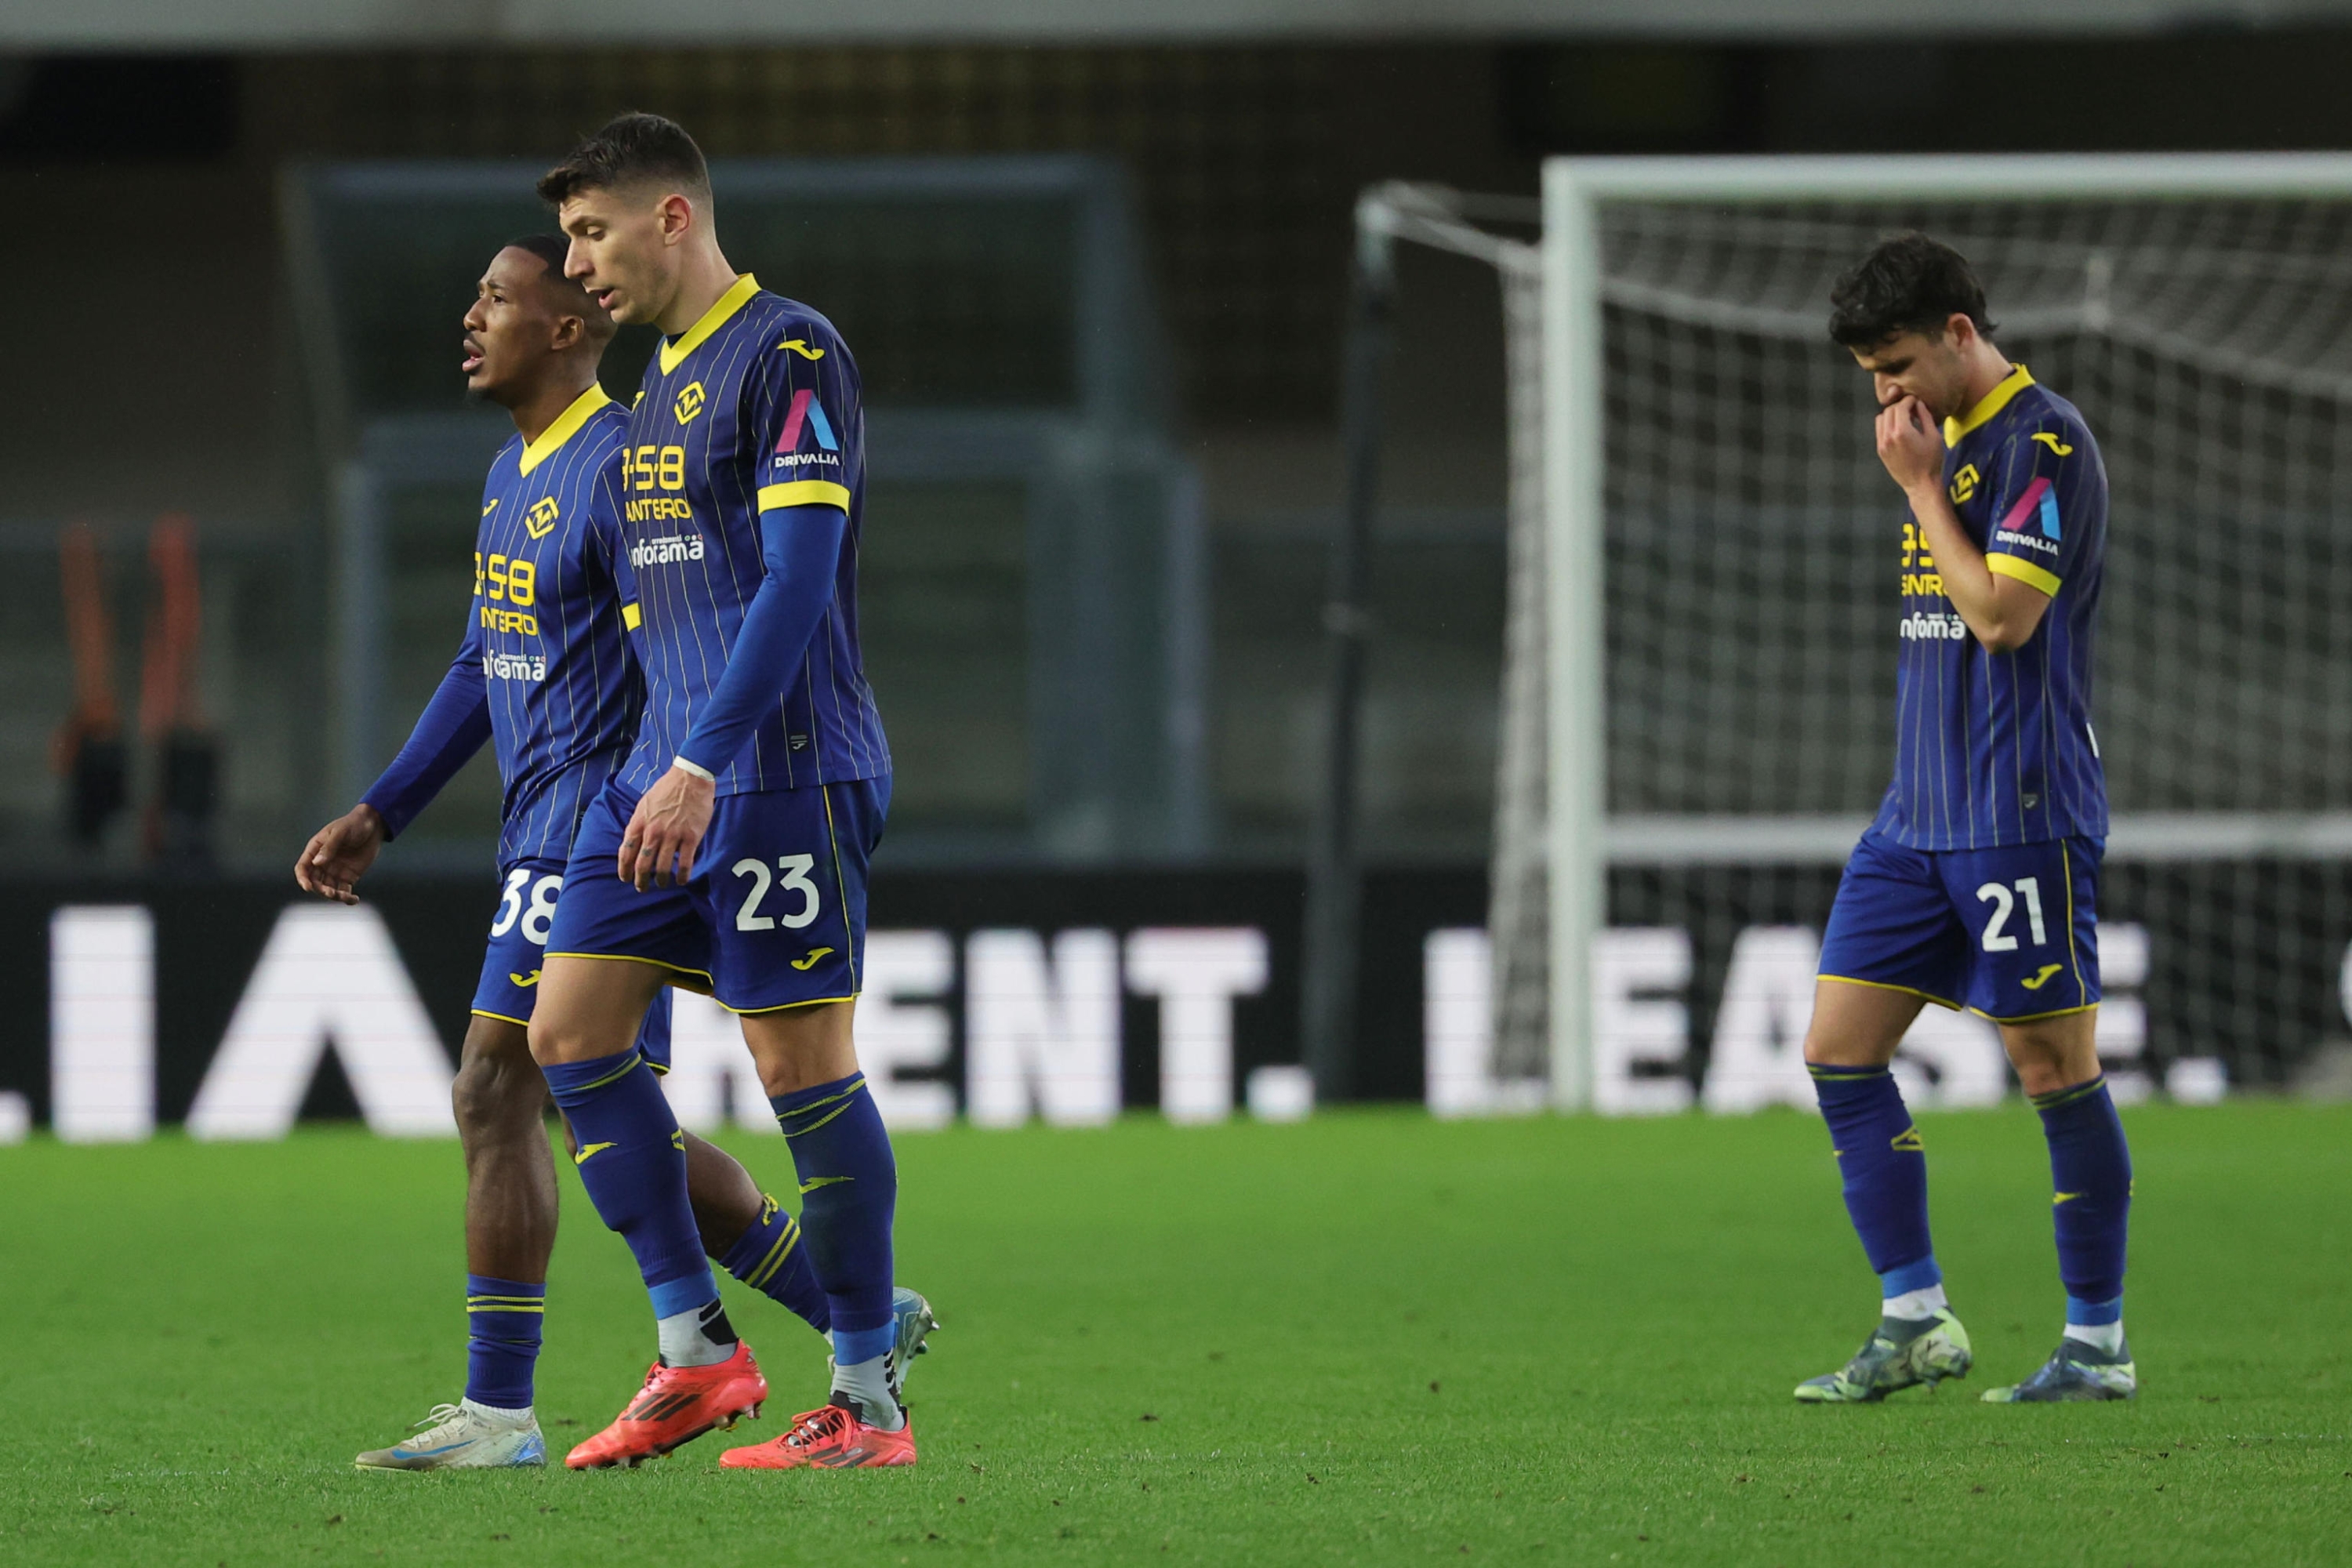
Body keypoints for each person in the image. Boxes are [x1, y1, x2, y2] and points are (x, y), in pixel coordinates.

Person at [295, 238, 927, 1471]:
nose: (468, 318)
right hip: (562, 820)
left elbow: (696, 631)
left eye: (497, 297)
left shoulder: (626, 459)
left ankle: (519, 1407)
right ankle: (834, 1313)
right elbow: (489, 657)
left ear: (571, 326)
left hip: (620, 816)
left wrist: (683, 779)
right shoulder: (509, 472)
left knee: (504, 1083)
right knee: (578, 1086)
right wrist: (387, 807)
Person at [532, 113, 914, 1470]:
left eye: (593, 231)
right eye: (570, 237)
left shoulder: (790, 351)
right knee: (568, 1041)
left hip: (774, 775)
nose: (578, 263)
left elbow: (799, 579)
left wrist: (704, 760)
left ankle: (869, 1401)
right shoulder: (649, 390)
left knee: (796, 1065)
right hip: (656, 779)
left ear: (674, 217)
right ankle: (698, 1350)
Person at [1795, 233, 2134, 1405]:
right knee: (1839, 1051)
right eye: (1868, 377)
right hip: (1915, 817)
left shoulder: (2044, 443)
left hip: (2016, 811)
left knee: (2052, 1068)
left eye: (1896, 364)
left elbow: (2000, 619)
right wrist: (1927, 478)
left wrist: (1924, 491)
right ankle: (1914, 1317)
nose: (1886, 395)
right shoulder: (1937, 441)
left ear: (1957, 333)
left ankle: (2097, 1343)